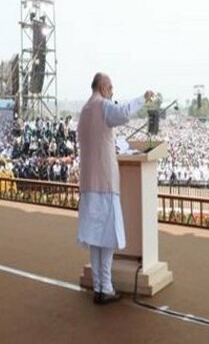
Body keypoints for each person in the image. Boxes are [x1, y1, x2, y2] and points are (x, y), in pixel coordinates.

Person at [77, 72, 154, 305]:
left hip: (89, 183)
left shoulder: (84, 111)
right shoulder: (103, 107)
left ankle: (100, 286)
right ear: (103, 87)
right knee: (108, 237)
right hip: (106, 183)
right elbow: (124, 113)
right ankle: (106, 287)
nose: (112, 92)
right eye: (111, 88)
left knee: (95, 238)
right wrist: (144, 98)